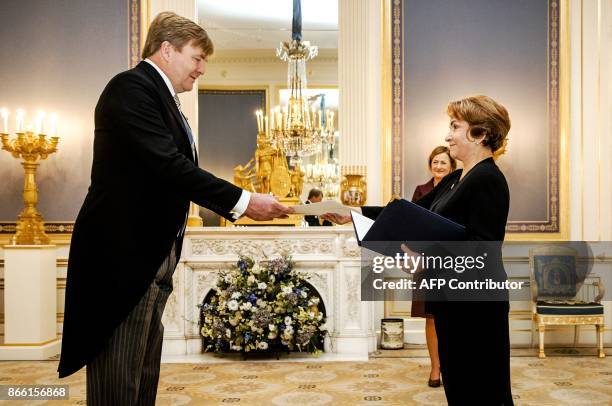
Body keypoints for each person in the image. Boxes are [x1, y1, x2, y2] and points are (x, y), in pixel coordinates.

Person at [57, 12, 293, 405]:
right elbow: (171, 167)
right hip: (122, 258)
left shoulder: (162, 98)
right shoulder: (130, 88)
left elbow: (173, 173)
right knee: (119, 381)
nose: (202, 68)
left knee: (142, 372)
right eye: (197, 57)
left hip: (150, 257)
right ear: (167, 49)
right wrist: (246, 201)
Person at [322, 95, 513, 405]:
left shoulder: (488, 178)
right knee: (461, 387)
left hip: (476, 306)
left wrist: (427, 259)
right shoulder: (456, 177)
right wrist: (354, 212)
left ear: (480, 134)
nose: (447, 135)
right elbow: (413, 210)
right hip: (450, 299)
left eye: (455, 127)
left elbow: (482, 246)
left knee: (484, 390)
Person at [410, 145, 456, 388]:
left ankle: (455, 366)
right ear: (430, 165)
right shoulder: (421, 191)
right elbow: (411, 224)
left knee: (453, 318)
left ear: (452, 167)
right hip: (425, 262)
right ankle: (435, 367)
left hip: (451, 263)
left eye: (443, 163)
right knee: (432, 318)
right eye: (435, 162)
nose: (439, 166)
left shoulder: (458, 190)